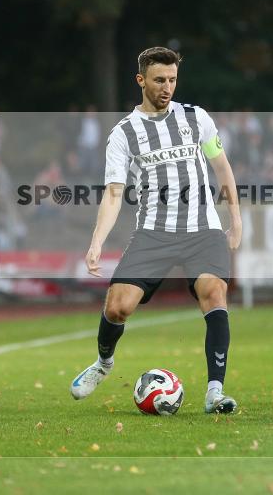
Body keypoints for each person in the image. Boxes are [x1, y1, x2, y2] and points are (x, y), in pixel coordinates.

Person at [71, 46, 242, 414]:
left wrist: (236, 219)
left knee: (214, 294)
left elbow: (222, 168)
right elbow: (114, 193)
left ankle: (214, 392)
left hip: (202, 229)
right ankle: (103, 363)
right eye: (160, 80)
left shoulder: (196, 118)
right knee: (118, 307)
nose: (168, 87)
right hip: (153, 232)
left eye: (173, 79)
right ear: (141, 80)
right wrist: (96, 242)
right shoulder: (123, 134)